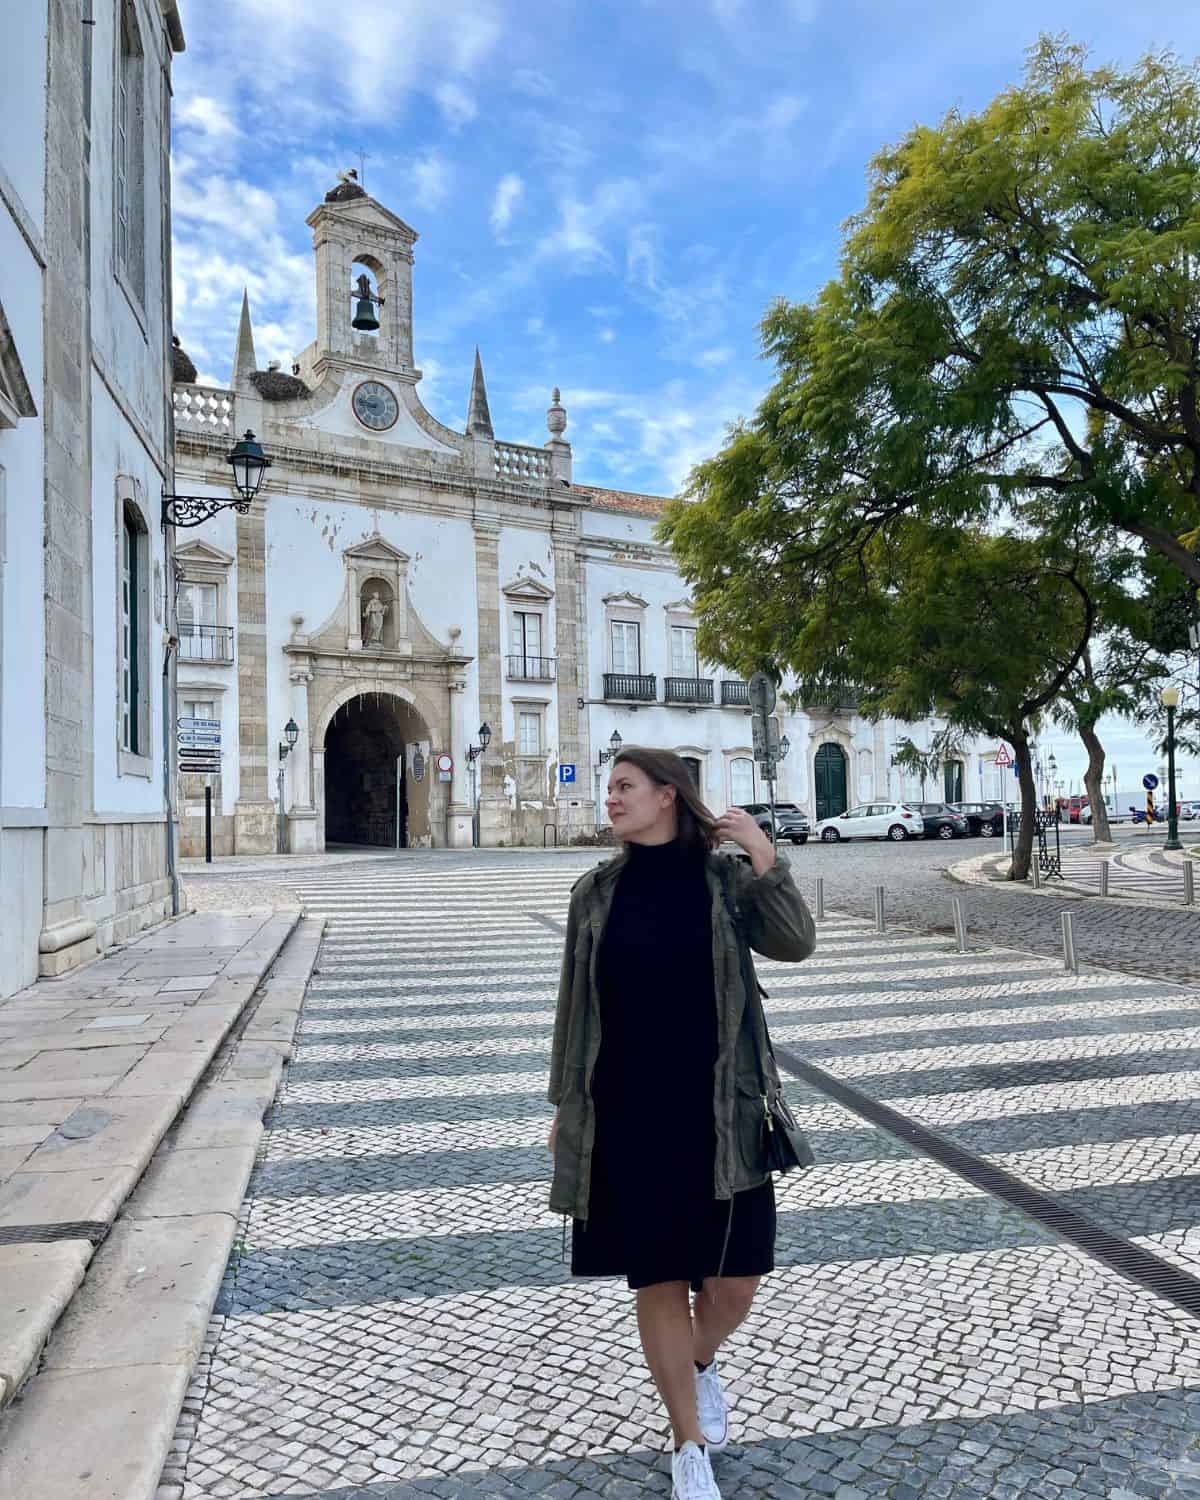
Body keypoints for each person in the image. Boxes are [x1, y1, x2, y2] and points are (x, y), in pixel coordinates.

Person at [546, 746, 817, 1500]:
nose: (611, 800)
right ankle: (687, 1442)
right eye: (609, 788)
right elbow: (574, 1007)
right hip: (629, 1113)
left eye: (624, 787)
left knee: (736, 1281)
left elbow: (795, 942)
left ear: (669, 796)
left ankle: (697, 1365)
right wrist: (568, 1107)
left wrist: (763, 850)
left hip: (721, 1109)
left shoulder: (725, 883)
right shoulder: (594, 894)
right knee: (658, 1279)